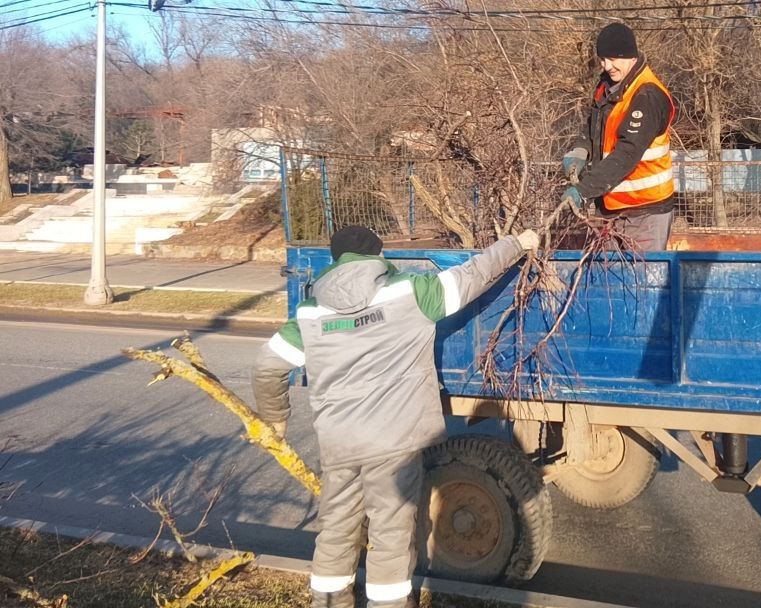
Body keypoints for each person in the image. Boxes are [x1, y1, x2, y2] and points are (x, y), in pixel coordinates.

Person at [252, 225, 540, 608]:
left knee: (336, 529)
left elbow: (266, 366)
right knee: (390, 534)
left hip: (339, 442)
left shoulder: (309, 313)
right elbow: (475, 274)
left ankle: (326, 602)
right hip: (392, 444)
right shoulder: (410, 293)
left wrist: (275, 417)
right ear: (378, 256)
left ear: (336, 261)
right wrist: (517, 244)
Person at [561, 22, 677, 251]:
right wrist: (580, 149)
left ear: (630, 56)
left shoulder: (647, 95)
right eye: (603, 59)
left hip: (646, 212)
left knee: (643, 283)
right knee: (609, 282)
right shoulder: (607, 86)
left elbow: (627, 153)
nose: (607, 66)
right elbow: (593, 127)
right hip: (611, 206)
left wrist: (584, 190)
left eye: (614, 59)